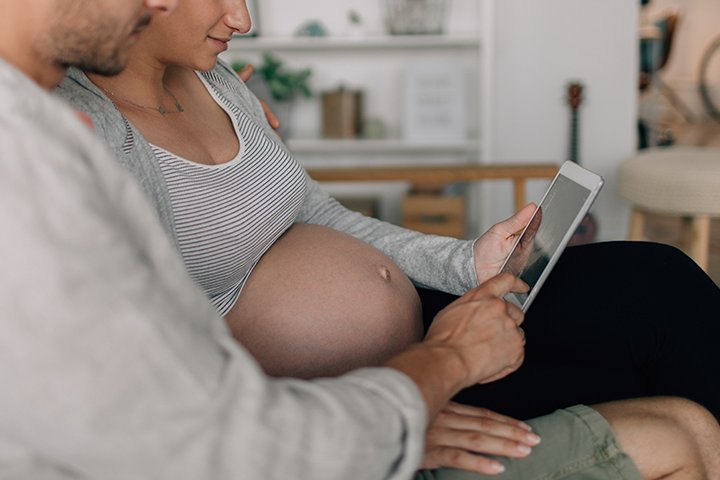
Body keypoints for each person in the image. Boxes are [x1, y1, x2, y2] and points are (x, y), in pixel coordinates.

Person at [4, 0, 720, 478]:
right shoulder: (68, 136)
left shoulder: (218, 81)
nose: (243, 18)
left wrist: (463, 262)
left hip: (408, 356)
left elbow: (314, 209)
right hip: (348, 398)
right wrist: (407, 402)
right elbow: (181, 397)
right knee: (667, 399)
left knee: (655, 281)